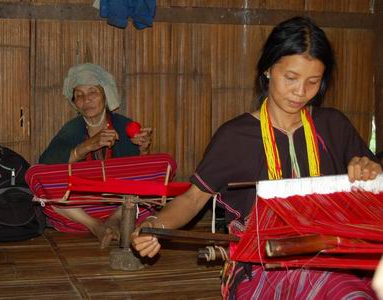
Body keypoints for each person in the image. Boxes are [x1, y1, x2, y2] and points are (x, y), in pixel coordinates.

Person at [131, 17, 382, 299]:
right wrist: (155, 227)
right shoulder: (235, 136)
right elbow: (192, 199)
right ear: (267, 70)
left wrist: (371, 170)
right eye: (290, 78)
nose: (301, 92)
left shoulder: (334, 127)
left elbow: (372, 183)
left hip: (333, 258)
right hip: (262, 265)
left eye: (313, 81)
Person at [39, 63, 152, 248]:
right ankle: (96, 226)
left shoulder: (123, 125)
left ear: (105, 96)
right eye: (80, 95)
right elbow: (46, 165)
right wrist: (86, 146)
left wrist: (144, 150)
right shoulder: (72, 130)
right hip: (80, 208)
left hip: (120, 204)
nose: (87, 99)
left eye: (93, 92)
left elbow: (142, 175)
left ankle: (113, 221)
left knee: (163, 166)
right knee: (35, 175)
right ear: (74, 102)